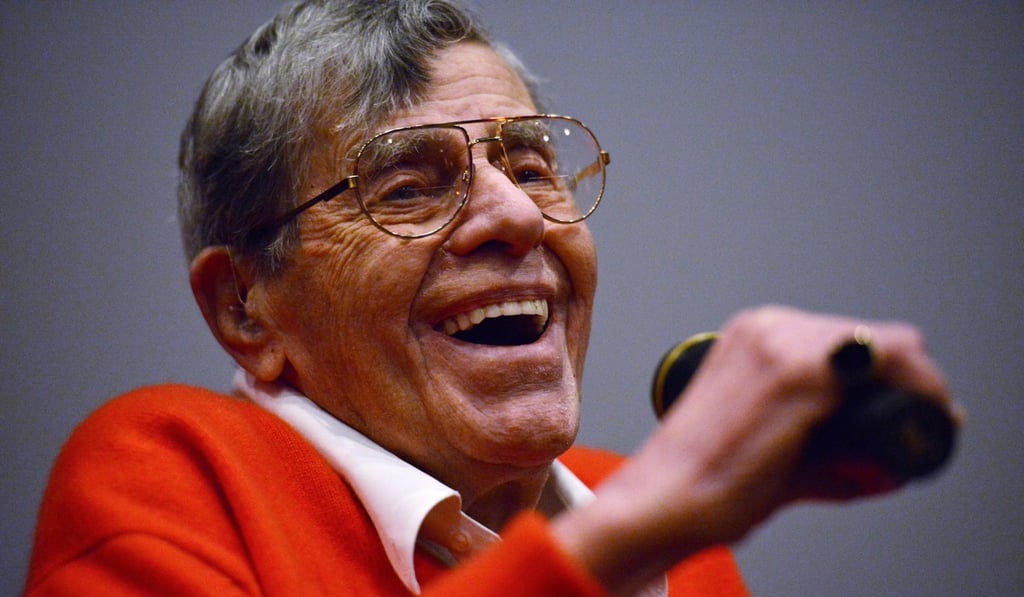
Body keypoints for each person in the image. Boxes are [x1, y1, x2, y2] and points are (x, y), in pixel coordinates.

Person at [25, 1, 954, 595]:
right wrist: (646, 524)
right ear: (245, 306)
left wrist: (653, 519)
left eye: (531, 163)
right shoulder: (171, 472)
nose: (517, 215)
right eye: (407, 188)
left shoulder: (663, 528)